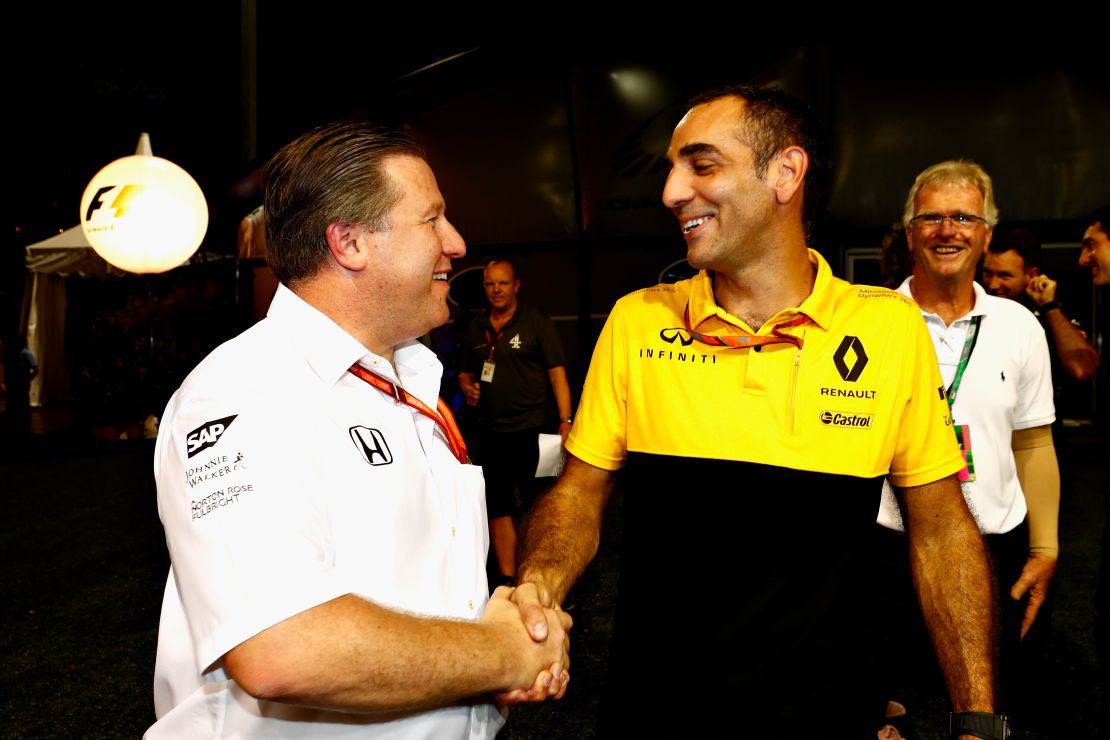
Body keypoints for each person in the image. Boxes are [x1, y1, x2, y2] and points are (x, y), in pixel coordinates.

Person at [512, 86, 1000, 736]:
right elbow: (579, 492)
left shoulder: (888, 329)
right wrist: (539, 588)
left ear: (785, 174)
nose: (671, 192)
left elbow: (941, 530)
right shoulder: (639, 321)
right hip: (653, 715)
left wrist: (977, 718)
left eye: (702, 164)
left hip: (828, 717)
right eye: (670, 169)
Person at [148, 122, 570, 738]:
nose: (455, 243)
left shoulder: (411, 376)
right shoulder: (243, 391)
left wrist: (500, 615)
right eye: (433, 220)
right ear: (349, 243)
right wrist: (505, 652)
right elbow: (282, 646)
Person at [877, 160, 1060, 723]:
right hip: (890, 546)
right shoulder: (873, 320)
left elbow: (1033, 442)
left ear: (985, 233)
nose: (946, 229)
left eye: (963, 217)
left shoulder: (1019, 325)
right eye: (930, 217)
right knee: (888, 712)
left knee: (985, 711)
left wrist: (1045, 547)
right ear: (910, 232)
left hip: (993, 547)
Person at [458, 259, 574, 583]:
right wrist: (468, 389)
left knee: (542, 509)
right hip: (492, 434)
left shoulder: (535, 322)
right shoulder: (477, 326)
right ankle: (510, 582)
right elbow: (465, 373)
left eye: (503, 283)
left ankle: (544, 578)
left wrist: (565, 420)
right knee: (498, 507)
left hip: (536, 433)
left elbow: (557, 375)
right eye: (491, 284)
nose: (497, 290)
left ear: (516, 286)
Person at [982, 226, 1099, 383]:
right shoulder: (973, 307)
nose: (994, 284)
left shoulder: (1050, 314)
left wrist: (1049, 306)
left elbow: (1083, 369)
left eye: (1005, 275)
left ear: (1031, 274)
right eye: (988, 273)